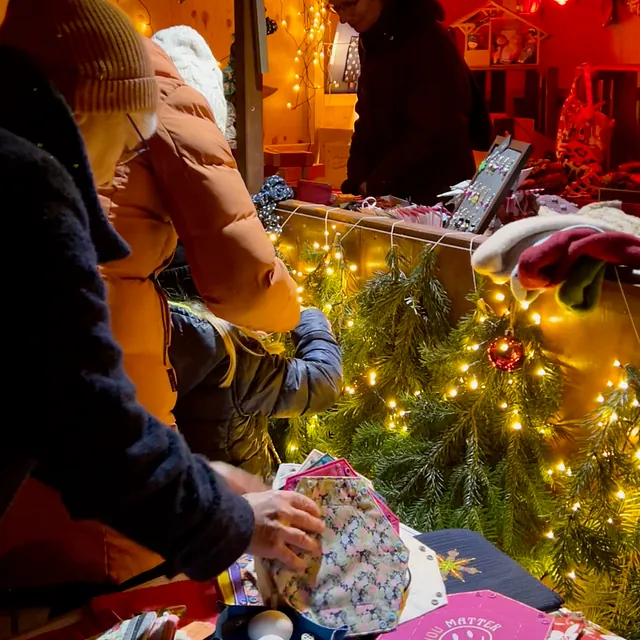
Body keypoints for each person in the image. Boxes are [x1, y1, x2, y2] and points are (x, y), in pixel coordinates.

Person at [0, 0, 322, 603]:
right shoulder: (31, 188)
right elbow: (87, 424)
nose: (123, 160)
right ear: (92, 109)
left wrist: (197, 482)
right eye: (129, 138)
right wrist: (232, 520)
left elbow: (36, 408)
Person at [167, 295, 343, 477]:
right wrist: (307, 316)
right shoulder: (232, 355)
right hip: (240, 497)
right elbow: (323, 381)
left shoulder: (164, 321)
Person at [338, 0, 493, 205]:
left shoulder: (426, 40)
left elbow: (434, 131)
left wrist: (375, 182)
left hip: (434, 199)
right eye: (336, 8)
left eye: (349, 4)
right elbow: (367, 116)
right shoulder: (373, 40)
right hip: (394, 195)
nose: (343, 18)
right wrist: (358, 179)